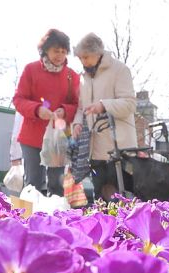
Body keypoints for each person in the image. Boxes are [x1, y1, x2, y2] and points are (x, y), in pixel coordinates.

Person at [13, 29, 80, 196]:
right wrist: (37, 109)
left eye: (63, 52)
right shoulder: (31, 70)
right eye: (56, 51)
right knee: (33, 184)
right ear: (45, 50)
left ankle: (55, 219)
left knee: (57, 185)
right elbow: (19, 99)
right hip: (32, 136)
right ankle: (33, 219)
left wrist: (64, 110)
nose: (59, 55)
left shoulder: (71, 76)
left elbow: (78, 105)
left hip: (59, 137)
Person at [71, 33, 137, 201]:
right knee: (100, 199)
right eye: (80, 58)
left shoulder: (120, 70)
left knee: (121, 199)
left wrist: (103, 105)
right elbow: (81, 107)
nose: (83, 62)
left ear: (98, 52)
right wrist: (77, 123)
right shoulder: (83, 78)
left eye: (86, 57)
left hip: (119, 148)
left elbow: (129, 104)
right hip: (95, 150)